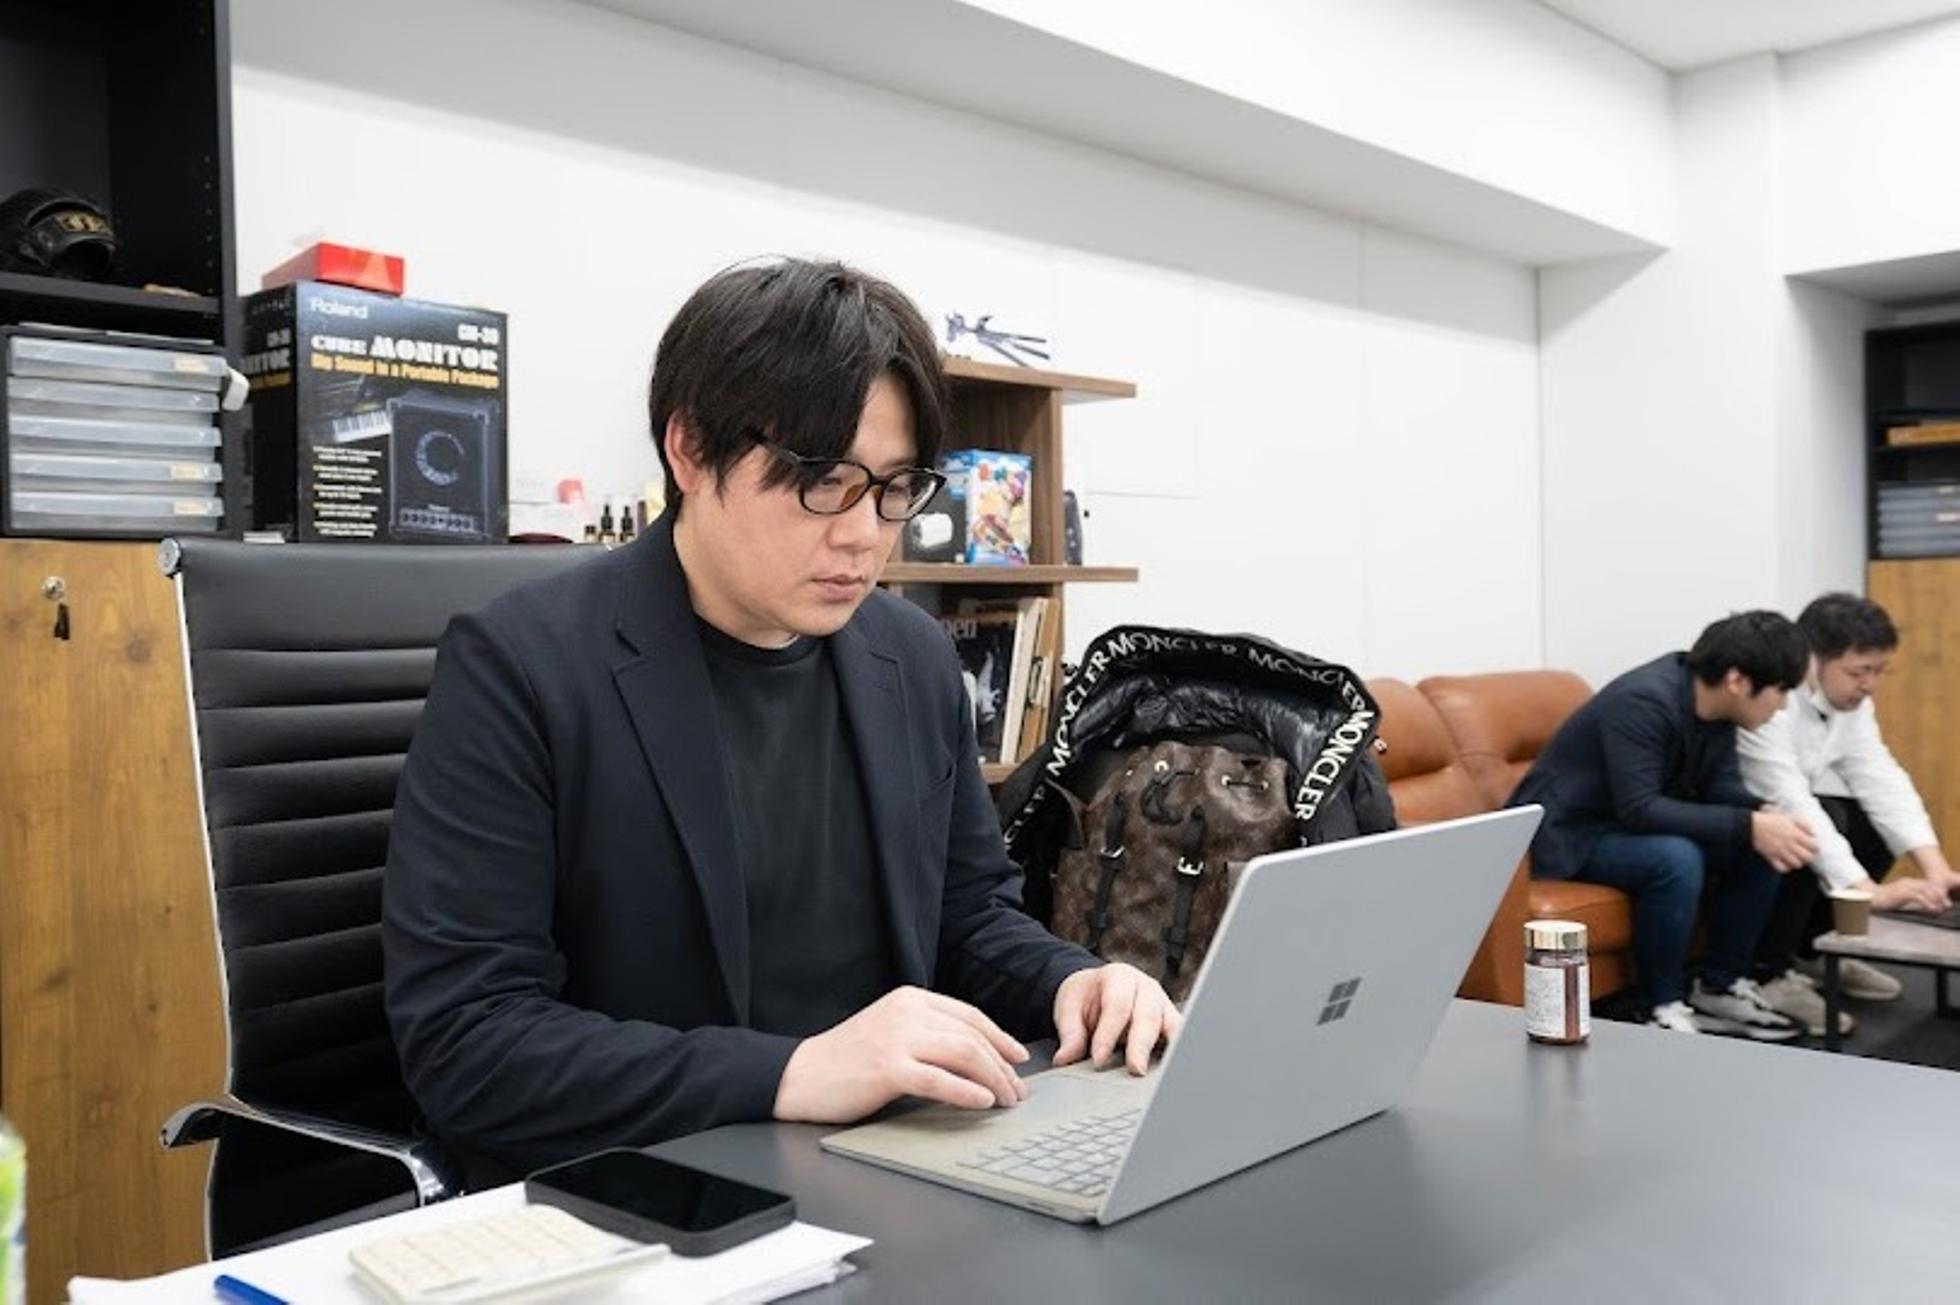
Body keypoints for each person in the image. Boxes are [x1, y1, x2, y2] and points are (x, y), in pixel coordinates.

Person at [383, 259, 1178, 1181]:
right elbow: (467, 1041)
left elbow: (966, 917)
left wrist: (1073, 980)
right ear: (689, 451)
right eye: (821, 480)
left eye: (895, 487)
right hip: (654, 1179)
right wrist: (792, 1071)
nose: (863, 534)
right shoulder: (522, 667)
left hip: (889, 1159)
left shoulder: (913, 660)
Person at [1508, 612, 1815, 1037]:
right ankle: (1659, 1006)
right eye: (1781, 691)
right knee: (1675, 858)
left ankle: (1720, 985)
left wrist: (1763, 815)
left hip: (1623, 825)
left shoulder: (1718, 710)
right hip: (1568, 835)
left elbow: (1722, 788)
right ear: (1737, 681)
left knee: (1763, 845)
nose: (1782, 706)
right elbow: (1640, 807)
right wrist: (1749, 824)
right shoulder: (1643, 701)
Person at [1738, 593, 1958, 1036]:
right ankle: (1768, 974)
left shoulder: (1852, 705)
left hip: (1789, 807)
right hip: (1743, 819)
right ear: (1813, 660)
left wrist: (1937, 870)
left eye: (1878, 671)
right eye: (1858, 672)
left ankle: (1813, 955)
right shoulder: (1771, 696)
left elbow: (1881, 779)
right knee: (1811, 824)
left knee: (1867, 819)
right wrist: (1867, 892)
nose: (1870, 685)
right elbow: (1791, 798)